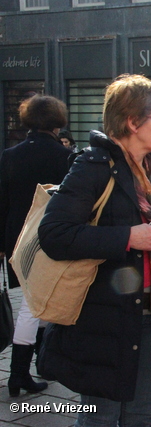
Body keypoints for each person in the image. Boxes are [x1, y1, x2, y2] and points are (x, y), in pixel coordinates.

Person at [38, 74, 151, 424]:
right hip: (102, 319)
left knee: (141, 415)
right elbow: (54, 234)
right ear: (133, 121)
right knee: (100, 418)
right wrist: (127, 238)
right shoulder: (93, 167)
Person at [0, 95, 71, 397]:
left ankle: (38, 365)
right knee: (34, 307)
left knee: (33, 302)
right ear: (57, 121)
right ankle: (19, 374)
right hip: (46, 238)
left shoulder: (9, 155)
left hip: (14, 237)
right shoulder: (63, 157)